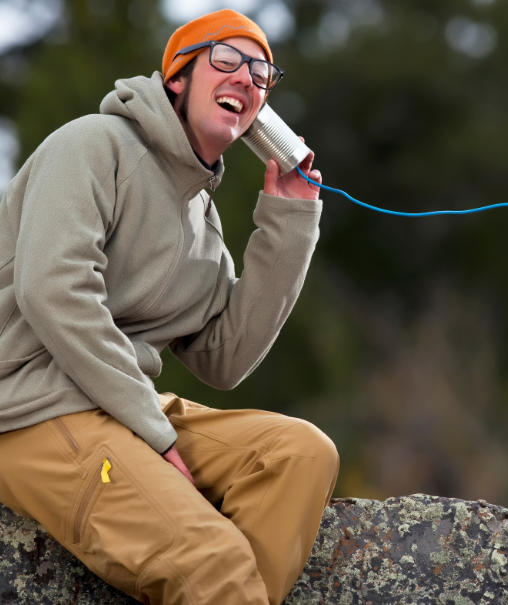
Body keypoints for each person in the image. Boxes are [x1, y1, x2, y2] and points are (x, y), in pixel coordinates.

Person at [0, 9, 339, 605]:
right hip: (30, 406)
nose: (247, 78)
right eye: (226, 59)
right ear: (176, 78)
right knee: (216, 563)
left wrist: (289, 221)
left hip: (117, 405)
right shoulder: (92, 144)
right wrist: (154, 436)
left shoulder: (201, 222)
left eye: (262, 73)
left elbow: (225, 359)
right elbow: (52, 290)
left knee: (298, 452)